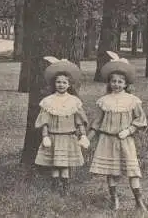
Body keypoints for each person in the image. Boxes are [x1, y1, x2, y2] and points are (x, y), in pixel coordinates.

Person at [87, 51, 148, 212]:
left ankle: (139, 201)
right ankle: (114, 199)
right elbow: (97, 122)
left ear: (126, 84)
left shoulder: (132, 100)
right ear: (109, 82)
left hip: (125, 139)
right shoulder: (104, 101)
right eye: (113, 81)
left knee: (132, 171)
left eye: (120, 82)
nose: (116, 84)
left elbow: (140, 119)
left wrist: (129, 130)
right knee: (112, 171)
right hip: (108, 140)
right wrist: (88, 138)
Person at [34, 57, 90, 196]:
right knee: (54, 163)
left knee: (64, 164)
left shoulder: (74, 101)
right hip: (53, 136)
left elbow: (79, 121)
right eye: (58, 82)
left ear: (69, 85)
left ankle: (65, 188)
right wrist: (45, 136)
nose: (61, 85)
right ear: (54, 84)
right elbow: (45, 121)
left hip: (68, 137)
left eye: (64, 82)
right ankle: (55, 185)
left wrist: (82, 135)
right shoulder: (48, 101)